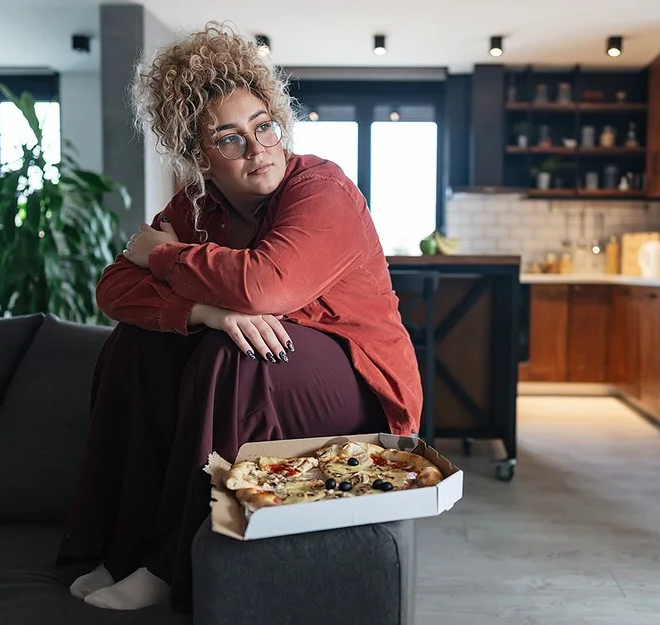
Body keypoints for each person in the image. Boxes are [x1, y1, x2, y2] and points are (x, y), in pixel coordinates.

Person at [55, 22, 422, 613]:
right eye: (229, 139)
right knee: (135, 344)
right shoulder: (195, 204)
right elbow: (115, 286)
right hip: (280, 362)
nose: (257, 149)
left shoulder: (322, 187)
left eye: (264, 126)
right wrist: (204, 310)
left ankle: (171, 565)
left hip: (359, 384)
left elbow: (265, 284)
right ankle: (119, 549)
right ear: (198, 154)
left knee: (241, 355)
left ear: (280, 123)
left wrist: (161, 254)